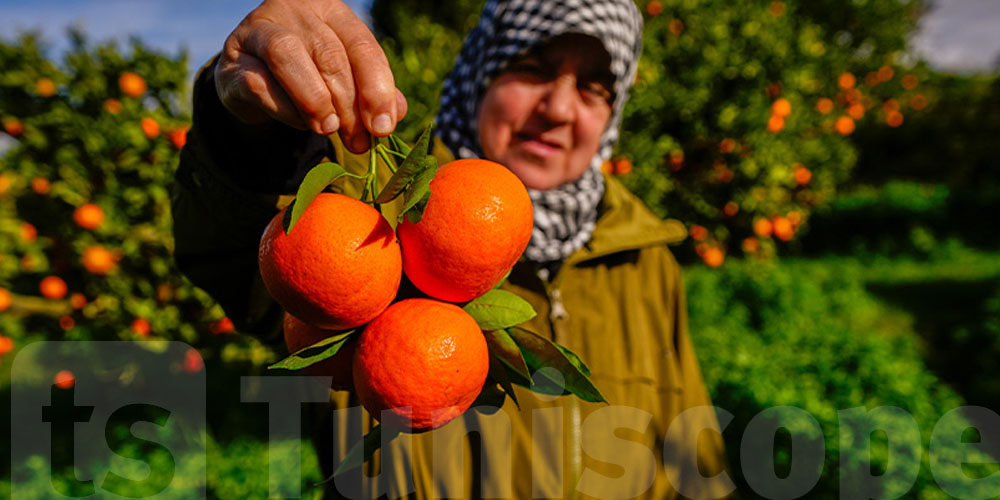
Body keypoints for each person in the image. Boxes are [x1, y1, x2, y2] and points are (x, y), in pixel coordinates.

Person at [172, 0, 733, 498]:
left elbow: (693, 453)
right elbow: (253, 257)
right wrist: (247, 129)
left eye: (594, 88)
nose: (559, 109)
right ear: (482, 72)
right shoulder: (375, 215)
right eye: (532, 69)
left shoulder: (644, 254)